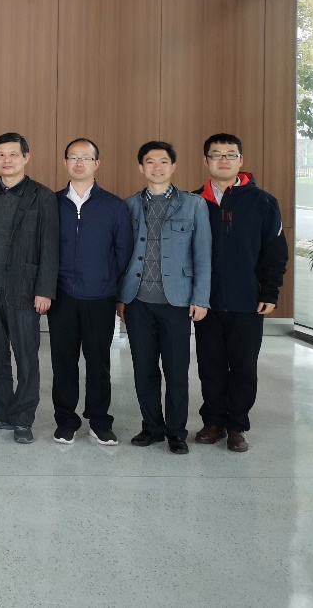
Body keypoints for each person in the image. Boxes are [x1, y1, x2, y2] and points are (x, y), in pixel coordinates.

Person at [193, 133, 289, 453]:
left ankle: (237, 425)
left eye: (230, 154)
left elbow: (275, 251)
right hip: (205, 302)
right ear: (205, 161)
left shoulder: (263, 202)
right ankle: (213, 421)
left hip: (247, 300)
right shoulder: (194, 202)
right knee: (210, 365)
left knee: (244, 367)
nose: (224, 160)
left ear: (240, 160)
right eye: (216, 154)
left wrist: (270, 292)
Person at [119, 140, 211, 454]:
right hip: (137, 301)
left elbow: (203, 255)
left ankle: (176, 432)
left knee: (176, 370)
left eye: (163, 161)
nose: (156, 167)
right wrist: (120, 298)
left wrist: (201, 298)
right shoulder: (129, 205)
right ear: (140, 167)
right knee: (143, 369)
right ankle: (152, 427)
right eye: (150, 161)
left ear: (173, 166)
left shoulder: (194, 205)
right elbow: (121, 255)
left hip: (177, 302)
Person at [0, 133, 59, 445]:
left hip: (25, 289)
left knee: (26, 356)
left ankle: (23, 418)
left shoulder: (42, 197)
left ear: (26, 157)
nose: (7, 160)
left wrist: (45, 290)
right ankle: (0, 411)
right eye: (1, 155)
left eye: (13, 154)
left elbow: (50, 246)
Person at [50, 138, 132, 446]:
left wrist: (111, 286)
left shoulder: (114, 206)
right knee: (63, 362)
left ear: (97, 164)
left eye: (86, 158)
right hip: (62, 295)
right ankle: (66, 420)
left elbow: (123, 253)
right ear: (65, 163)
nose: (79, 163)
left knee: (99, 362)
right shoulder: (52, 203)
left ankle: (99, 421)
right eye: (73, 157)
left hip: (100, 297)